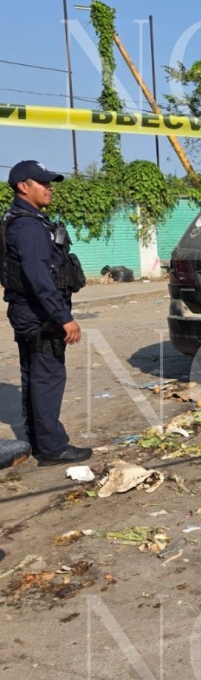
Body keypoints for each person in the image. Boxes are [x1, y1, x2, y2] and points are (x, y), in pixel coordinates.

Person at [1, 160, 91, 465]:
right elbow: (39, 276)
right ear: (23, 187)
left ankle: (39, 442)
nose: (49, 188)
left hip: (27, 311)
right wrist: (63, 317)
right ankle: (53, 448)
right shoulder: (28, 226)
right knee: (48, 378)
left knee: (34, 377)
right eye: (42, 183)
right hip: (39, 315)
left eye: (49, 183)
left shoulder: (19, 219)